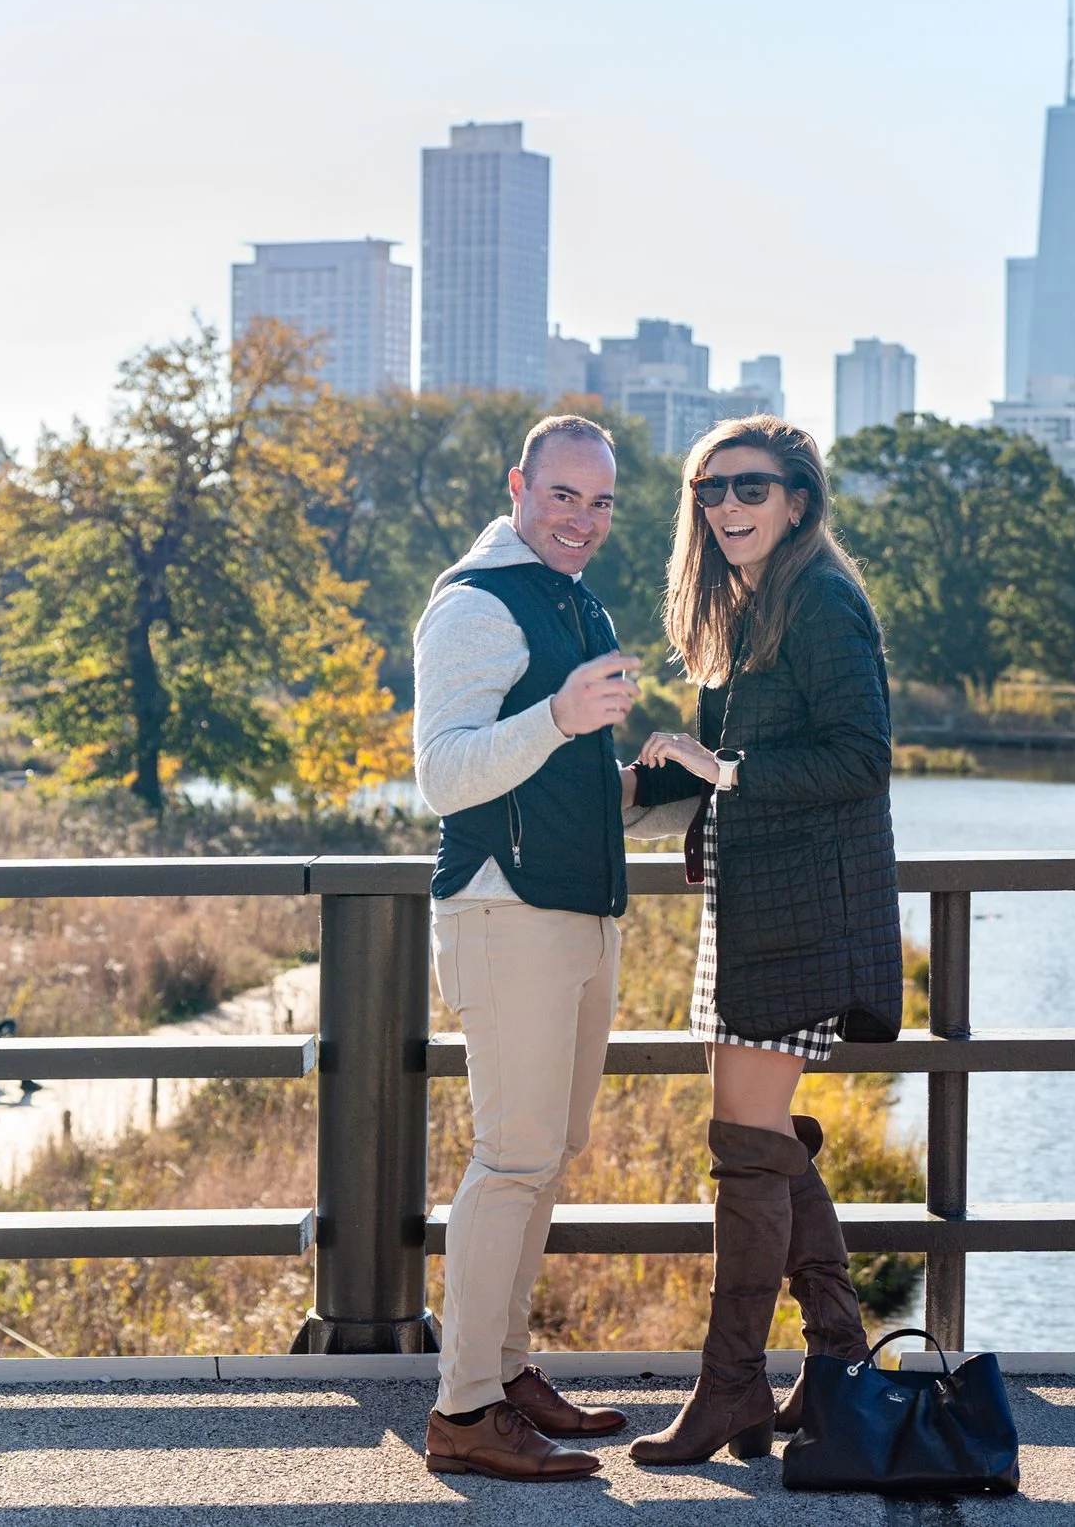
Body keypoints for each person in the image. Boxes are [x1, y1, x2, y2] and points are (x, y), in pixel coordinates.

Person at [625, 415, 901, 1465]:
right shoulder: (744, 605)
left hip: (804, 911)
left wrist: (724, 770)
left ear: (798, 499)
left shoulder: (821, 596)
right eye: (709, 490)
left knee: (744, 1144)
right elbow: (705, 763)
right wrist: (592, 787)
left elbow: (859, 757)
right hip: (755, 905)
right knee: (762, 1140)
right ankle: (835, 1367)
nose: (727, 506)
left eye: (750, 487)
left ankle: (731, 1385)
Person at [414, 412, 659, 1483]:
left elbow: (560, 778)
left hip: (575, 910)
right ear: (519, 485)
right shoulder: (474, 603)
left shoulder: (576, 600)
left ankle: (508, 1373)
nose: (583, 519)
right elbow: (447, 774)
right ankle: (463, 1406)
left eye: (601, 502)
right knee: (510, 1157)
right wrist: (560, 714)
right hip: (505, 909)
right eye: (564, 495)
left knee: (543, 1156)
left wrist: (656, 786)